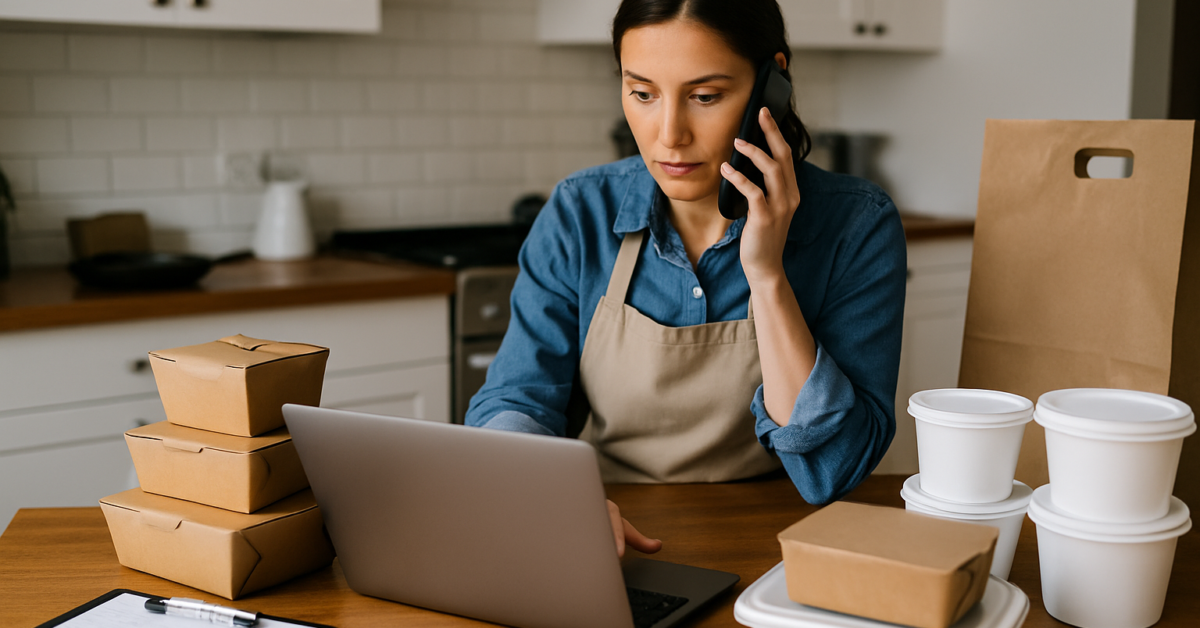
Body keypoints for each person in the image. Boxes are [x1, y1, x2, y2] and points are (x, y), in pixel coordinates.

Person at [465, 0, 906, 556]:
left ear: (772, 83)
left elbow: (832, 471)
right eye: (642, 93)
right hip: (611, 537)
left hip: (787, 547)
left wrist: (767, 276)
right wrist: (548, 494)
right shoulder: (580, 212)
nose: (668, 135)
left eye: (705, 96)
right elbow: (517, 400)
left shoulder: (856, 224)